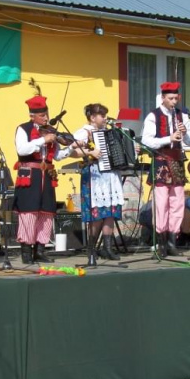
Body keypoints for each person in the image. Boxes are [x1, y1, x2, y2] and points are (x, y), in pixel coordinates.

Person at [12, 95, 84, 264]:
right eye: (42, 115)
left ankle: (40, 249)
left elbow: (57, 156)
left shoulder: (51, 131)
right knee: (29, 212)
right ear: (32, 116)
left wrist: (71, 147)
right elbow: (22, 149)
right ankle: (26, 252)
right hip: (30, 174)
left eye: (46, 114)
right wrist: (42, 140)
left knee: (46, 212)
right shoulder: (22, 129)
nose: (46, 118)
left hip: (48, 175)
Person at [141, 81, 190, 257]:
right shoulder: (153, 116)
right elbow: (147, 141)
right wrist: (168, 138)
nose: (174, 102)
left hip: (177, 162)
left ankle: (173, 240)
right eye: (170, 98)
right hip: (161, 161)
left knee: (178, 203)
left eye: (176, 98)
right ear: (163, 98)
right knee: (161, 203)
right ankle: (161, 243)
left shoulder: (182, 116)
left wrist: (185, 133)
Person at [73, 103, 125, 261]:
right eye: (102, 115)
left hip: (110, 175)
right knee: (97, 214)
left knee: (110, 211)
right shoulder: (83, 132)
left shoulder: (109, 132)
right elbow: (71, 151)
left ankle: (107, 248)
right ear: (92, 117)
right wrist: (90, 152)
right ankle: (91, 249)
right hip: (94, 175)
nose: (105, 118)